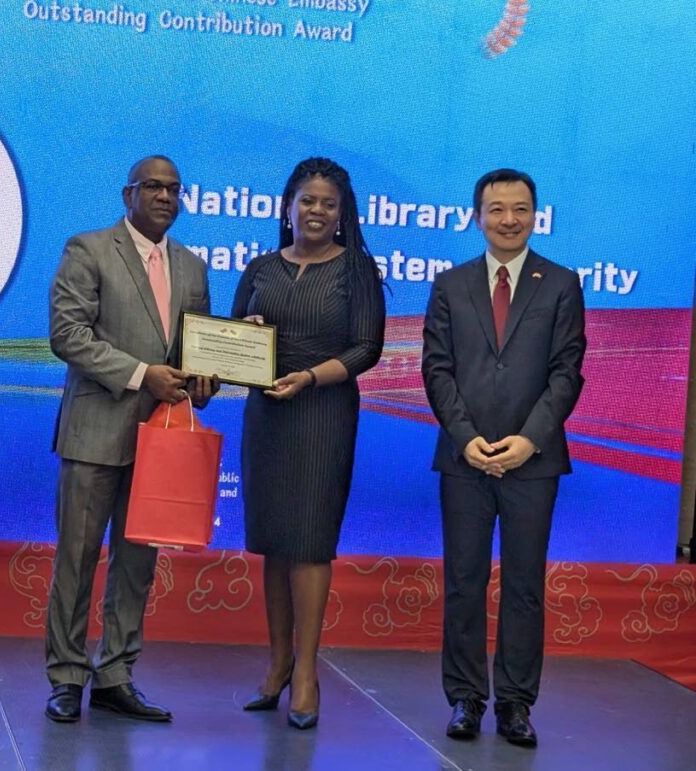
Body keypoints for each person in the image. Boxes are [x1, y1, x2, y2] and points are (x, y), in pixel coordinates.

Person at [45, 155, 218, 723]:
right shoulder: (88, 249)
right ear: (128, 194)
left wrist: (205, 379)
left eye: (174, 189)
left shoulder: (192, 268)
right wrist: (144, 374)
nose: (165, 196)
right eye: (153, 187)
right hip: (96, 430)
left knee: (137, 563)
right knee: (77, 559)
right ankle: (67, 676)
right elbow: (68, 335)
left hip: (160, 441)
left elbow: (195, 357)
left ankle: (115, 672)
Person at [421, 169, 586, 747]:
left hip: (533, 462)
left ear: (535, 215)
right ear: (476, 216)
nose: (509, 219)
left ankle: (516, 703)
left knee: (523, 586)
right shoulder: (450, 283)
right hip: (463, 460)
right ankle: (466, 698)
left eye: (520, 209)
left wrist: (529, 439)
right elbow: (436, 369)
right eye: (496, 209)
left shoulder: (561, 284)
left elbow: (568, 372)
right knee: (464, 583)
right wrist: (465, 437)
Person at [231, 157, 385, 730]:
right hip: (266, 417)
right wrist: (236, 342)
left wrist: (310, 377)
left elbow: (366, 347)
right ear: (287, 207)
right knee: (274, 540)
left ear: (342, 215)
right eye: (307, 201)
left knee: (311, 542)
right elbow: (231, 336)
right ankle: (276, 663)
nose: (316, 212)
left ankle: (307, 674)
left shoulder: (356, 270)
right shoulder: (259, 267)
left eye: (328, 204)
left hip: (323, 413)